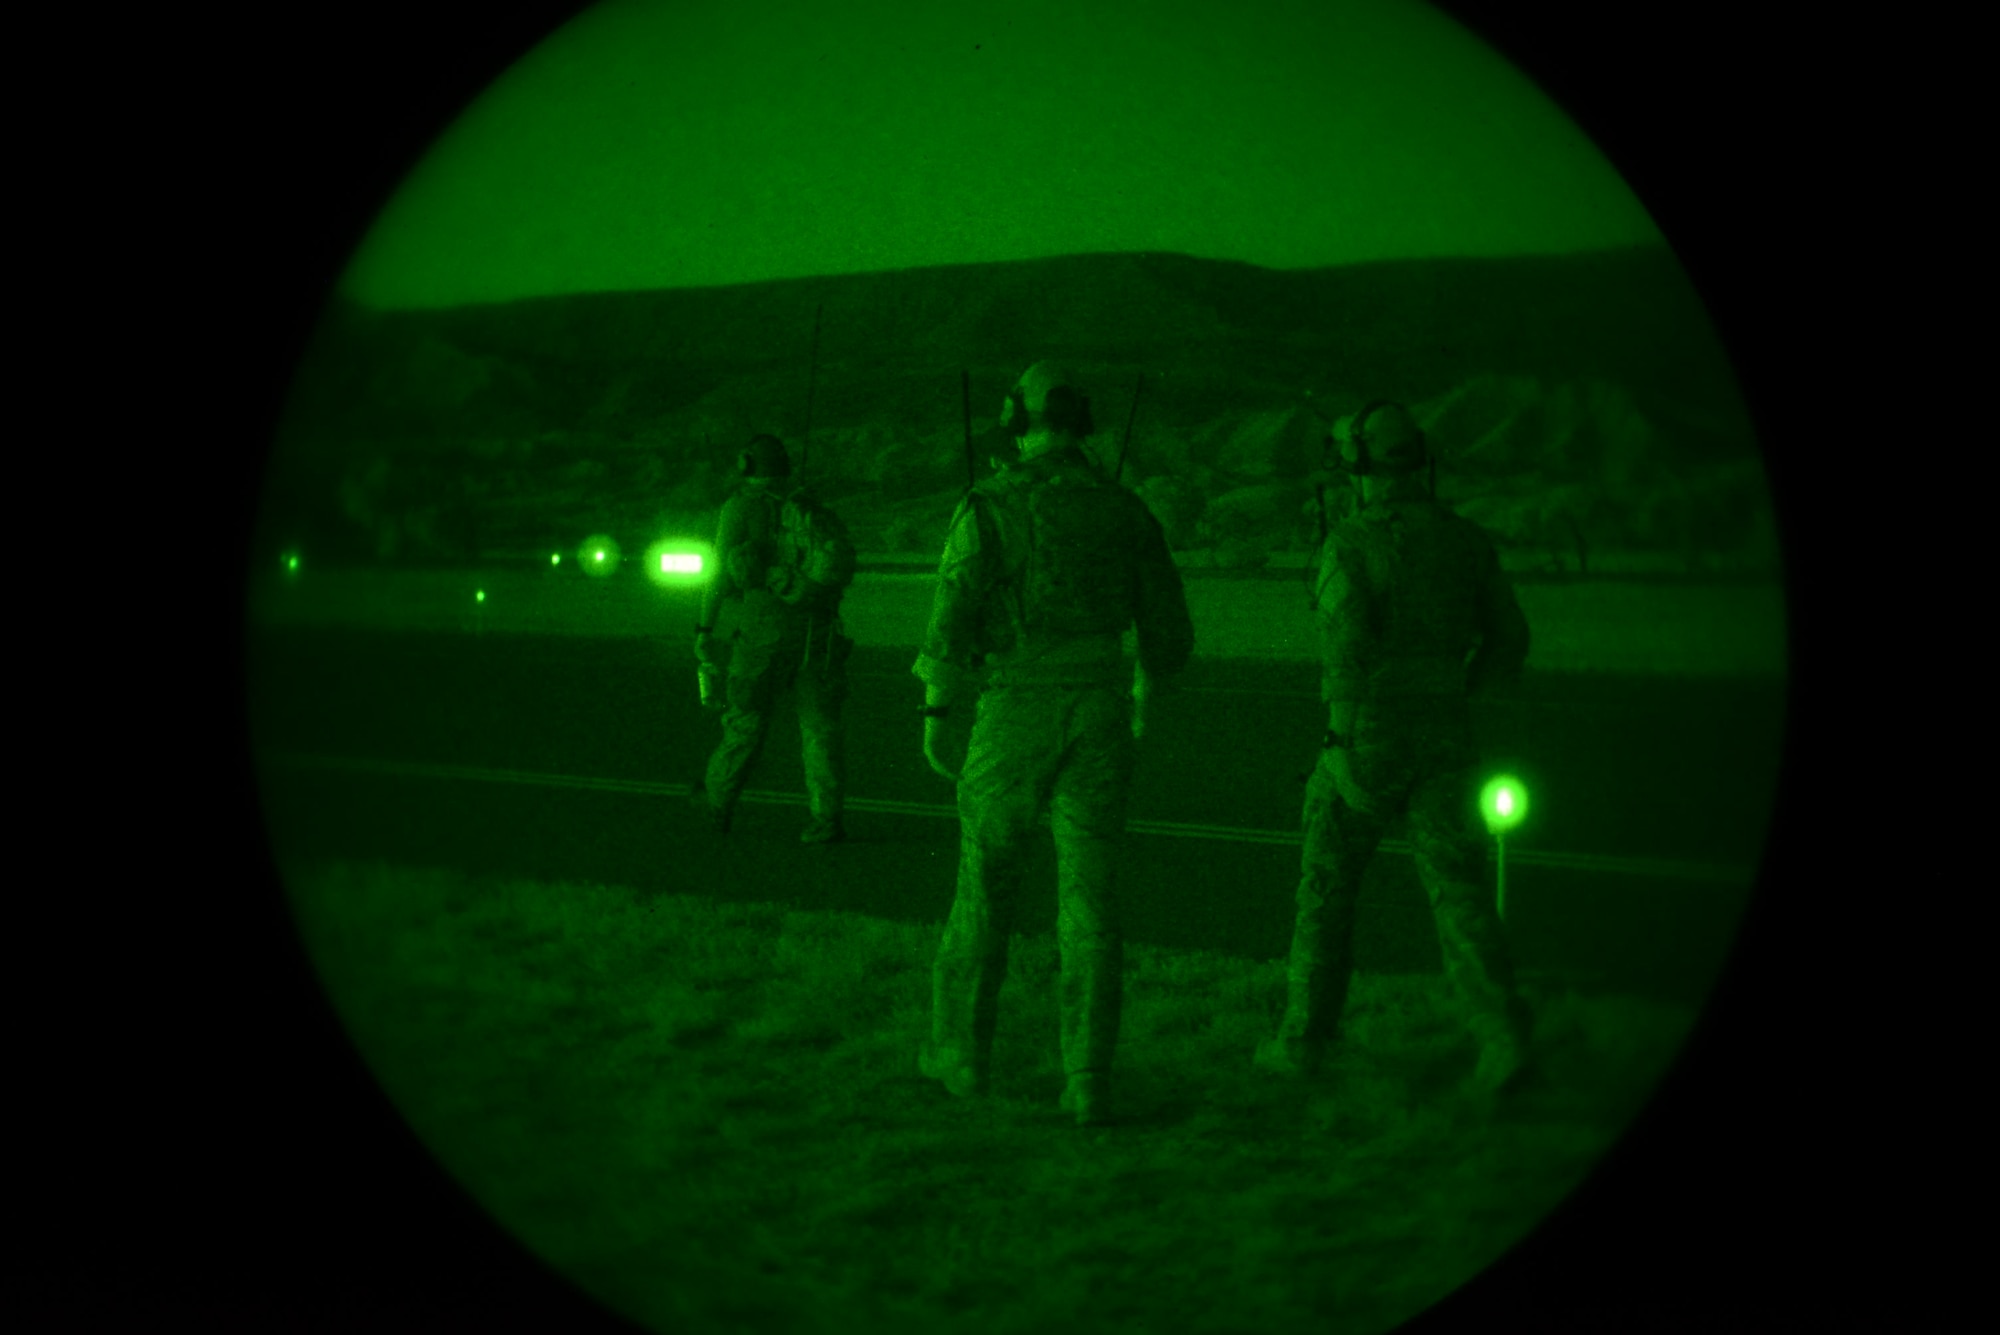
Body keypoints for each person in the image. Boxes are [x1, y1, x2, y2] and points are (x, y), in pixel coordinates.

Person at [914, 362, 1195, 1127]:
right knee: (1092, 902)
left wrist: (941, 711)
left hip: (1013, 709)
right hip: (1100, 711)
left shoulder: (989, 505)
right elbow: (1170, 639)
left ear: (1017, 419)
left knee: (984, 888)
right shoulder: (1126, 510)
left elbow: (952, 614)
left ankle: (962, 1055)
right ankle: (1087, 1076)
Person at [1258, 399, 1535, 1093]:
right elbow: (1509, 639)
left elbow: (1346, 650)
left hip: (1370, 732)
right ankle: (1503, 1038)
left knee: (1324, 885)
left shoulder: (1351, 542)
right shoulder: (1464, 540)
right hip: (1445, 731)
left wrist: (1339, 742)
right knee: (1461, 890)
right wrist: (1460, 695)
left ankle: (1304, 1040)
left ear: (1354, 465)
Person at [693, 433, 856, 844]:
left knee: (745, 725)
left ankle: (718, 802)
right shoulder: (809, 509)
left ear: (747, 465)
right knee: (819, 732)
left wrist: (704, 629)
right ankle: (827, 818)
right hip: (816, 638)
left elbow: (719, 578)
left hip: (761, 636)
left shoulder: (740, 508)